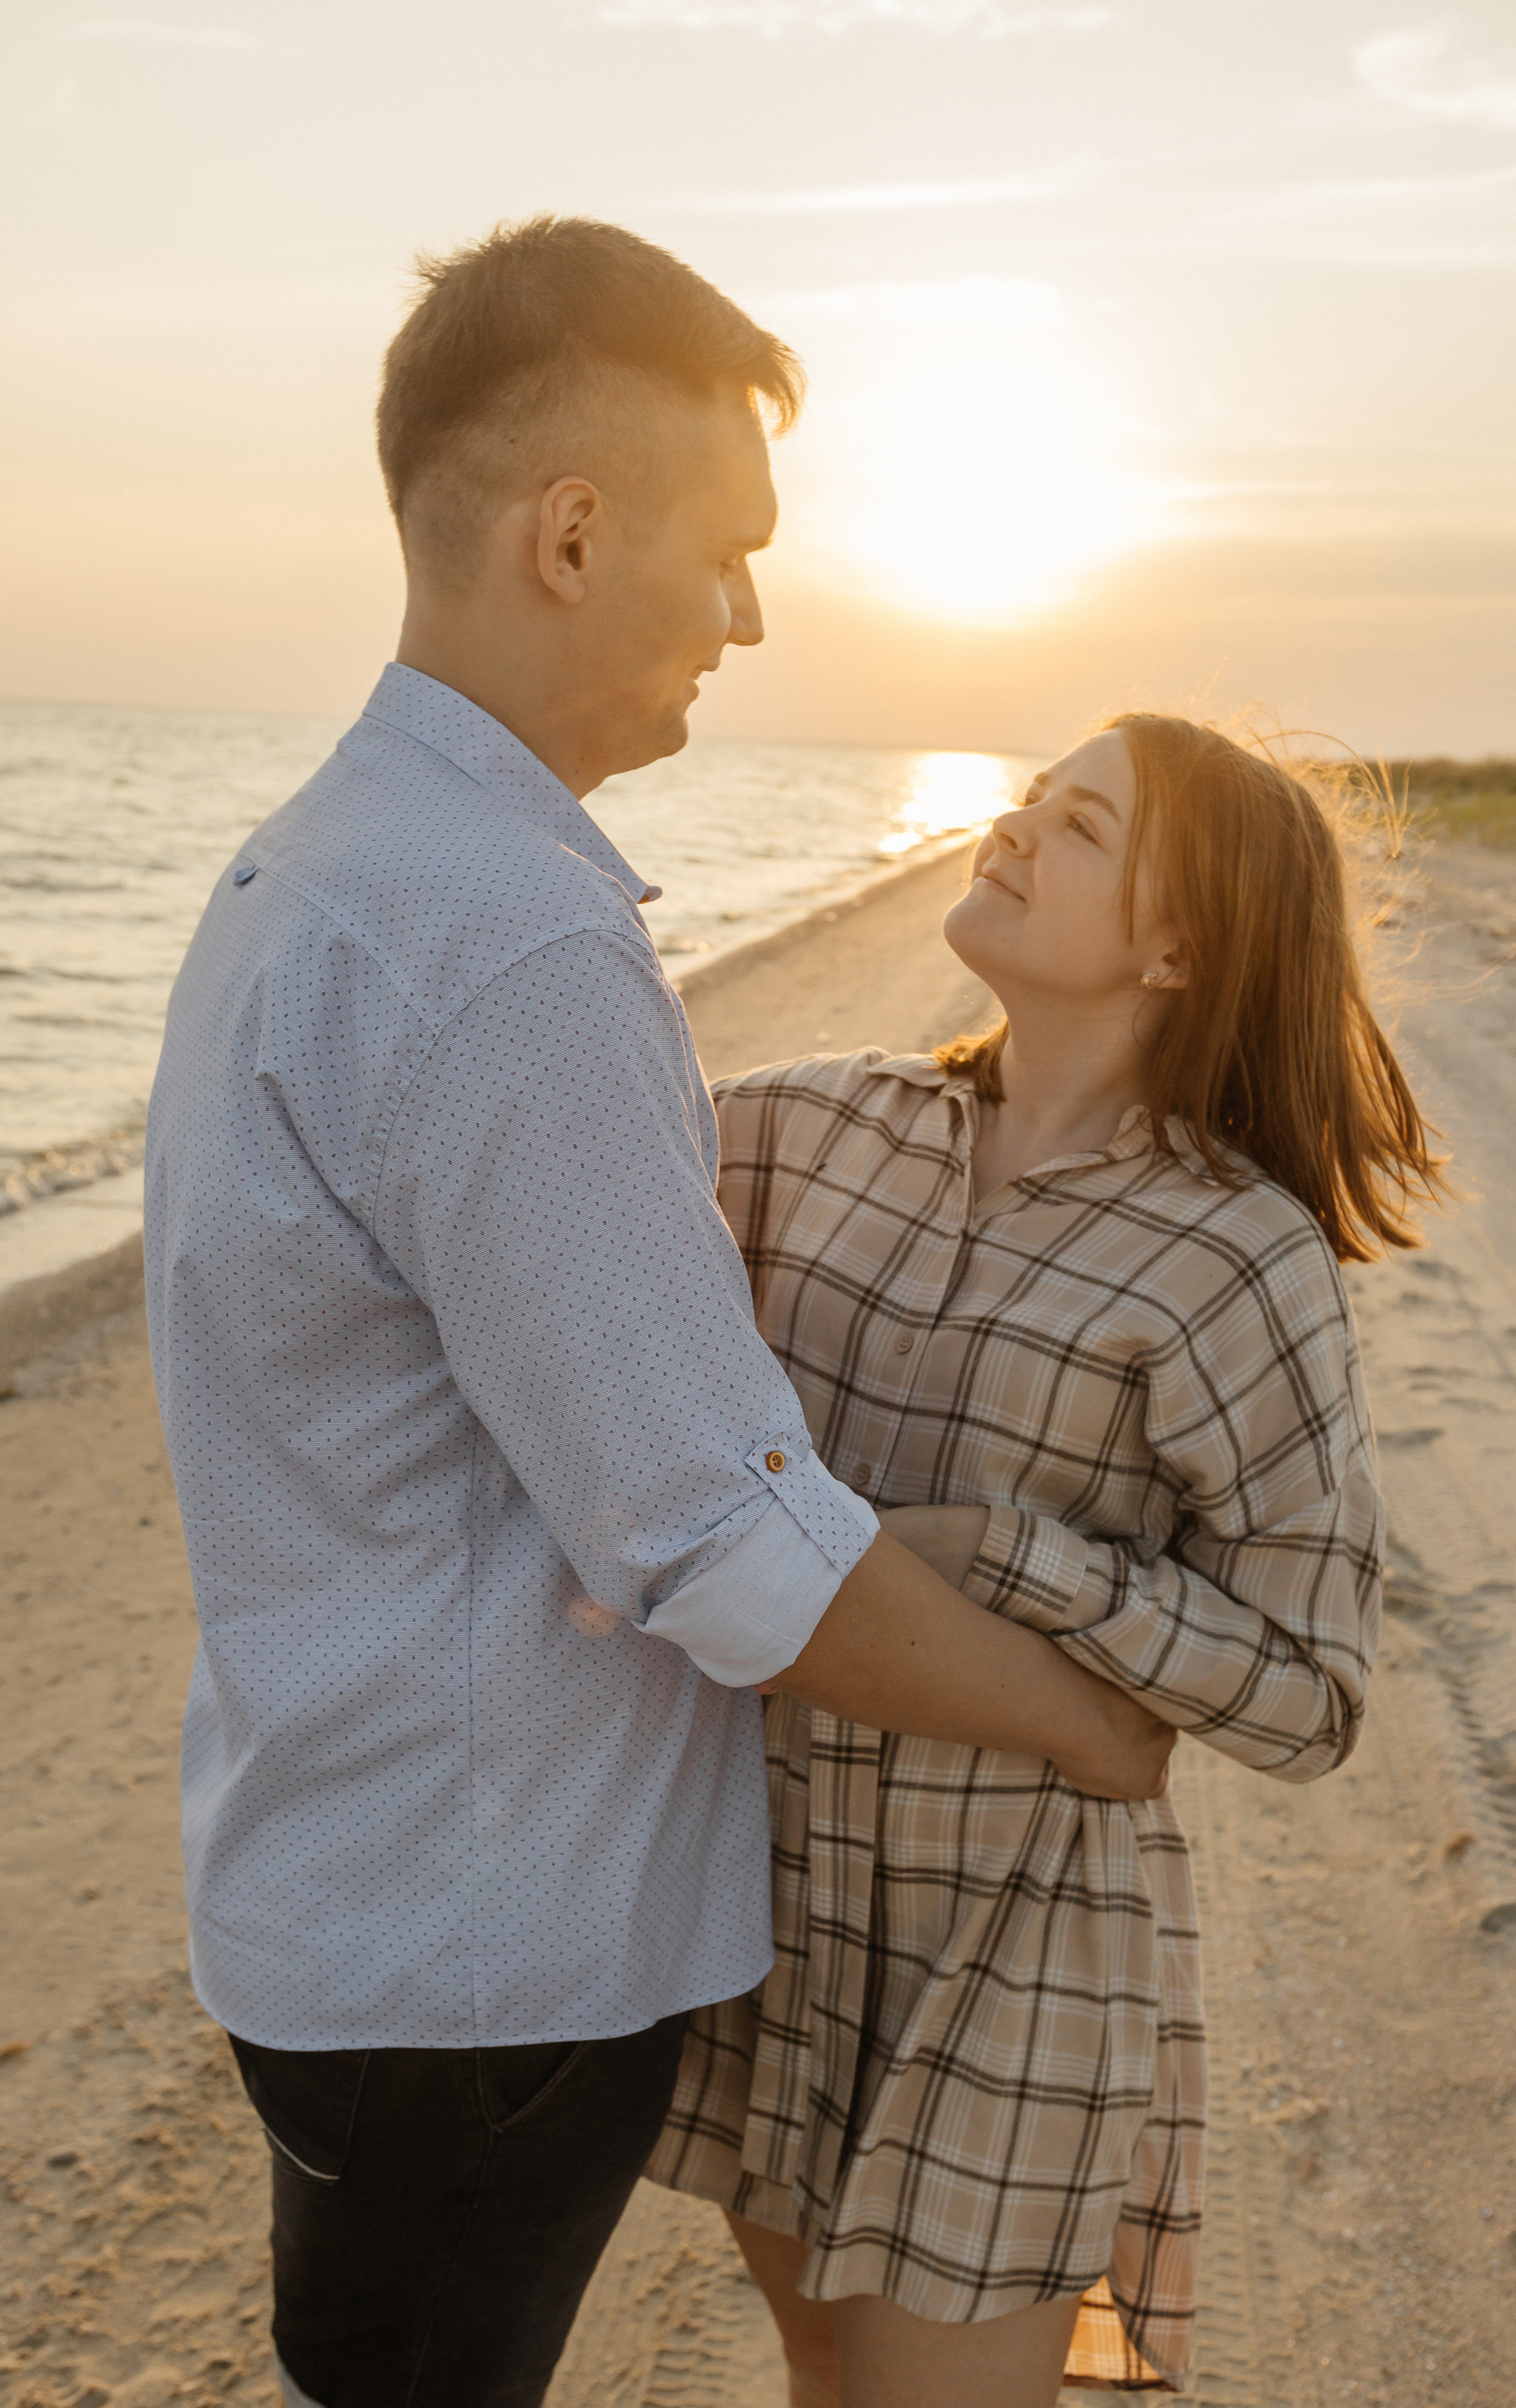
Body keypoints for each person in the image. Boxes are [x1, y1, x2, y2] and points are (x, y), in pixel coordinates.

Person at [142, 219, 1171, 2408]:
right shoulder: (506, 940)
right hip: (472, 1951)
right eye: (730, 551)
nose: (754, 613)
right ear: (573, 534)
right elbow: (715, 1536)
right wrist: (1088, 1721)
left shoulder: (314, 867)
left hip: (352, 1894)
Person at [648, 714, 1444, 2406]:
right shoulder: (806, 1127)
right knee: (824, 2386)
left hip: (1016, 1948)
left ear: (1177, 948)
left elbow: (1316, 1693)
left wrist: (1017, 1557)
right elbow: (553, 1203)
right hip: (773, 1901)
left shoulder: (1239, 1256)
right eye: (1029, 798)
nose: (1014, 827)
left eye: (1078, 826)